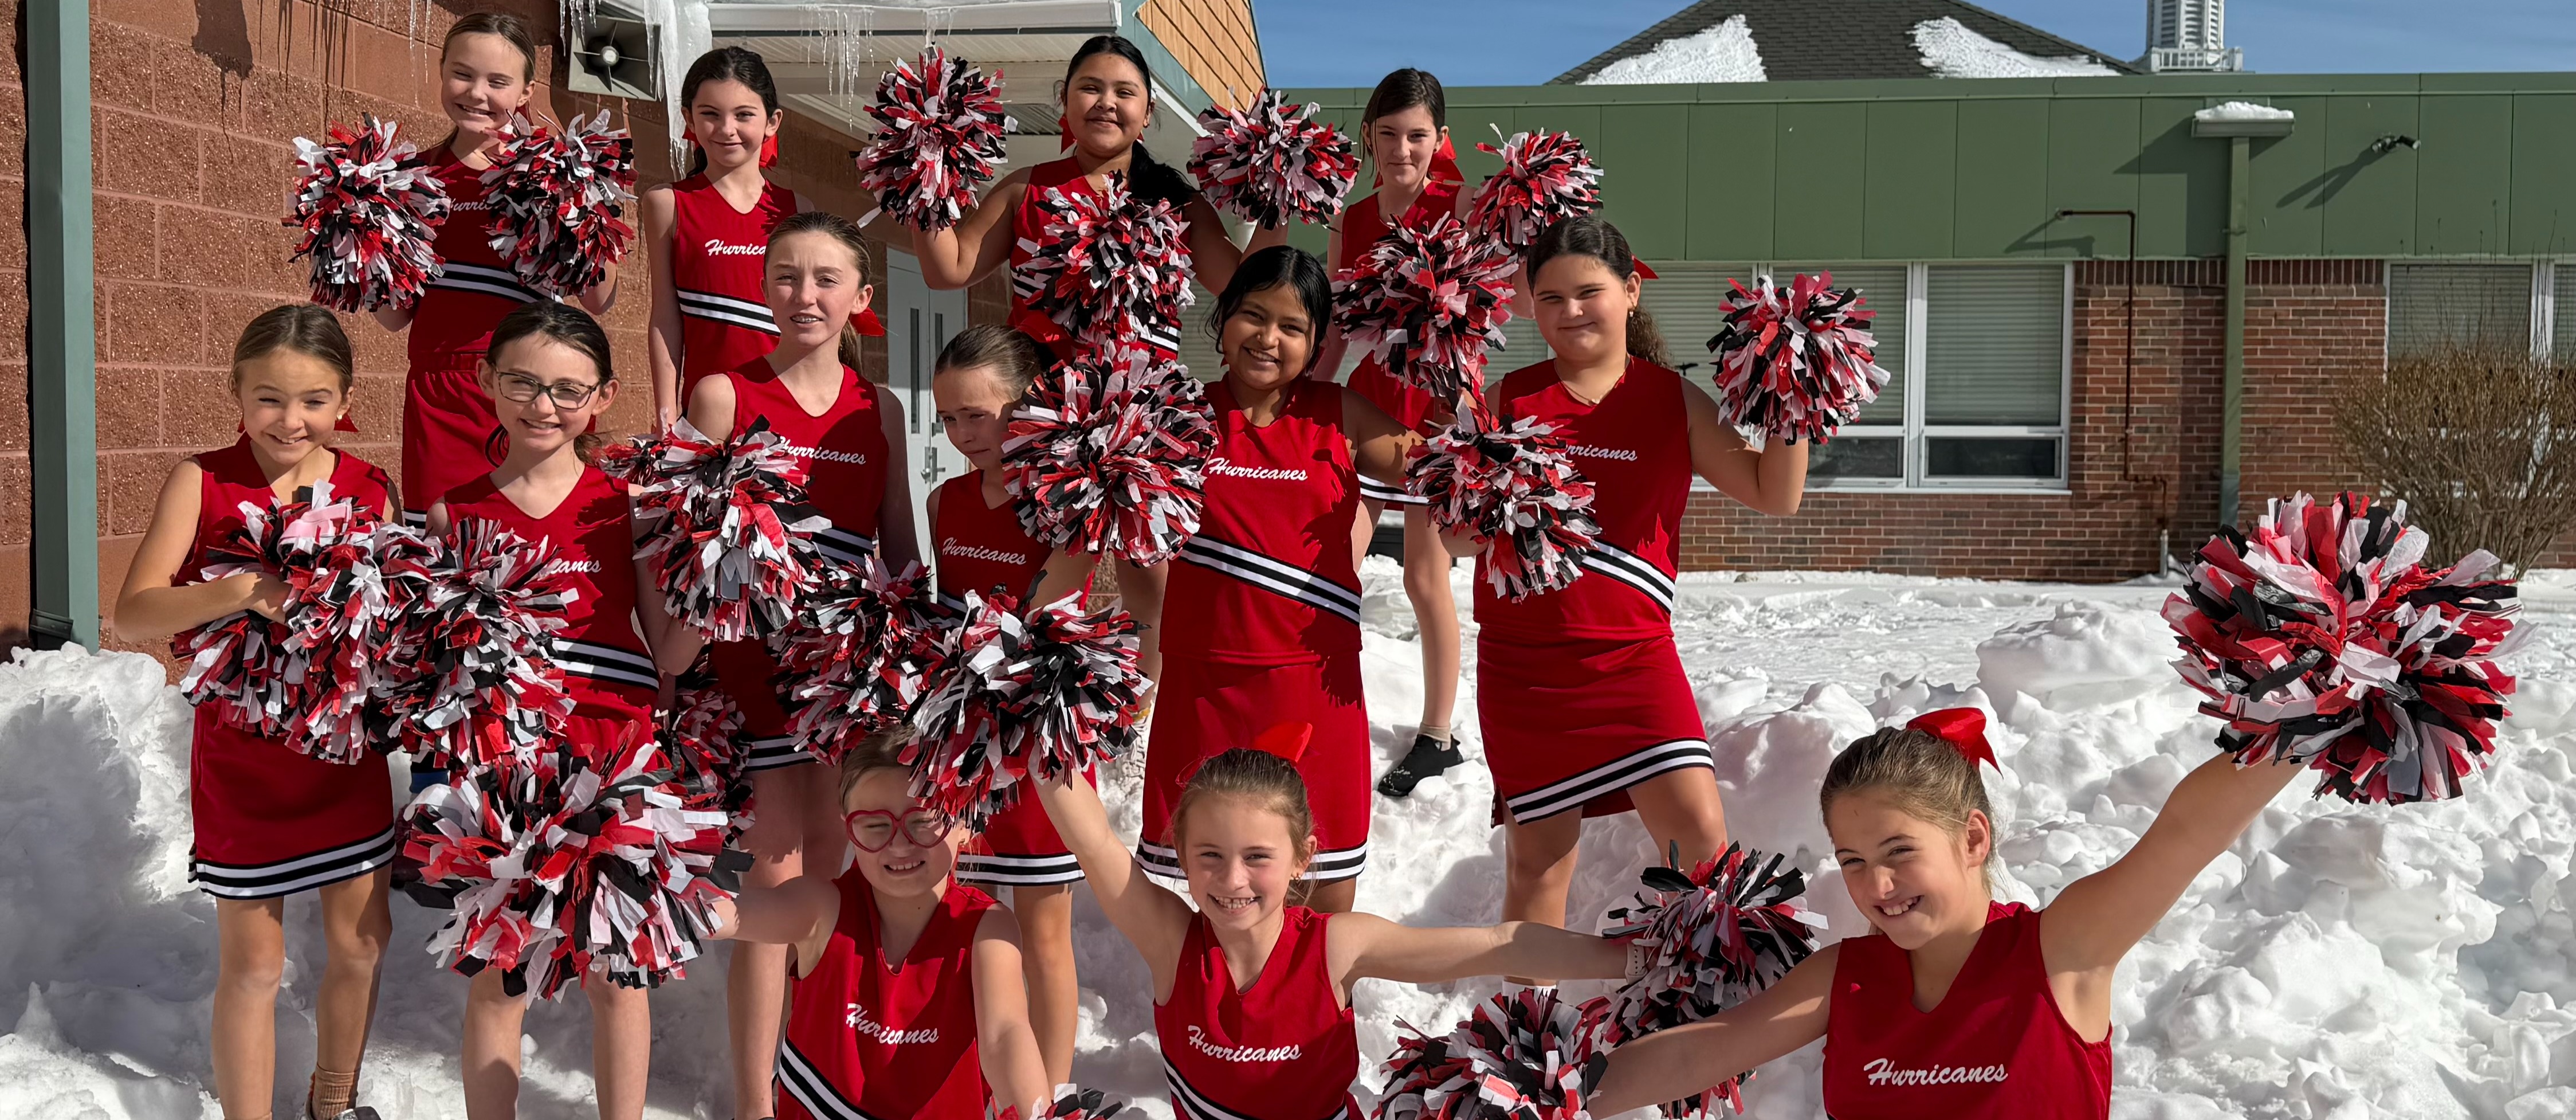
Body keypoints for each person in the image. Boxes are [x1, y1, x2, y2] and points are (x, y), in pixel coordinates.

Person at [1588, 715, 2310, 1118]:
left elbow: (2184, 831)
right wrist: (1541, 1090)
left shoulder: (2059, 948)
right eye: (1851, 859)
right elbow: (1702, 1050)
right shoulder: (1851, 974)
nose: (1876, 883)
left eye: (1898, 851)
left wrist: (2316, 708)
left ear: (1972, 837)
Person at [1455, 216, 1807, 968]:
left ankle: (1707, 1007)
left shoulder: (1674, 400)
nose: (1571, 311)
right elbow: (1453, 539)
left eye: (1589, 292)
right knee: (1538, 867)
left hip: (1635, 661)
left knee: (1702, 841)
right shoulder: (1507, 397)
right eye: (1550, 298)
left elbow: (1772, 493)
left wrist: (1794, 397)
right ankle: (1528, 1037)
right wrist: (1490, 491)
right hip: (1527, 673)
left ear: (1630, 290)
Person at [905, 33, 1291, 692]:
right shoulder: (1027, 188)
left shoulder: (1175, 200)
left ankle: (1142, 705)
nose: (1105, 103)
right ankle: (1021, 693)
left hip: (1140, 422)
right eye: (1090, 87)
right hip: (1047, 419)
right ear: (1064, 102)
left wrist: (1281, 186)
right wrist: (919, 163)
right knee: (1050, 566)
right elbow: (949, 268)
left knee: (1149, 575)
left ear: (1147, 115)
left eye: (1124, 93)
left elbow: (1247, 284)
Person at [658, 208, 918, 1120]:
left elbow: (899, 546)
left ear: (859, 296)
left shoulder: (878, 406)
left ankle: (819, 1073)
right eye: (785, 277)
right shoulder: (724, 393)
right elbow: (685, 548)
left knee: (837, 873)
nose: (804, 295)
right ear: (763, 288)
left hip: (843, 676)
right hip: (752, 668)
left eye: (824, 278)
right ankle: (753, 1102)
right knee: (773, 883)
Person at [1030, 741, 1640, 1120]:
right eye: (1208, 855)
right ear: (1182, 857)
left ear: (1301, 858)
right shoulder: (1172, 942)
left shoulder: (1333, 947)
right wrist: (1028, 719)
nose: (1232, 878)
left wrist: (1639, 960)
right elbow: (1092, 840)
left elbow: (1501, 942)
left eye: (1257, 856)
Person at [114, 304, 396, 1120]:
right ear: (236, 393)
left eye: (313, 399)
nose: (290, 418)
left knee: (360, 942)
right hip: (243, 759)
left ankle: (333, 1103)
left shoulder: (370, 487)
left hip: (343, 755)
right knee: (254, 964)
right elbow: (134, 613)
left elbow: (390, 614)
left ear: (344, 400)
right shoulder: (200, 480)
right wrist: (238, 591)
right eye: (268, 397)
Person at [419, 301, 685, 1120]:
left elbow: (670, 654)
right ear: (486, 382)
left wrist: (707, 567)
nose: (544, 406)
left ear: (603, 397)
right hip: (503, 770)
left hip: (613, 762)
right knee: (502, 975)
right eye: (524, 383)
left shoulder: (625, 504)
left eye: (568, 390)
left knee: (617, 974)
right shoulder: (448, 512)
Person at [1141, 245, 1416, 913]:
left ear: (1317, 341)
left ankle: (1312, 999)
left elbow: (1449, 469)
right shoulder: (1173, 415)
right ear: (1223, 318)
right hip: (1205, 677)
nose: (1268, 339)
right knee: (1212, 862)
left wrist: (1444, 348)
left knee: (1323, 862)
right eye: (1252, 317)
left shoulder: (1340, 414)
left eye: (1291, 328)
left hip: (1311, 681)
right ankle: (1220, 1001)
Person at [710, 730, 1055, 1120]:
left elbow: (1005, 1035)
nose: (899, 844)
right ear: (848, 828)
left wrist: (1035, 1114)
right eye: (874, 825)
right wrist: (663, 904)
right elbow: (735, 913)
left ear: (966, 821)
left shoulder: (986, 929)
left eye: (923, 821)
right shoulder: (823, 909)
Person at [924, 323, 1098, 1086]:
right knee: (965, 919)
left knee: (1045, 928)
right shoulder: (943, 501)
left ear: (1028, 405)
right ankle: (976, 1075)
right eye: (952, 417)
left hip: (1040, 736)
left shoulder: (1070, 503)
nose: (968, 433)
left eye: (983, 413)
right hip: (963, 741)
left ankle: (1052, 1092)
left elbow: (1054, 619)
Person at [371, 11, 619, 527]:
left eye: (498, 81)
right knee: (444, 558)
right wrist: (363, 246)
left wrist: (576, 206)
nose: (477, 93)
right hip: (439, 396)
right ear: (440, 75)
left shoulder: (556, 170)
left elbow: (600, 299)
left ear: (526, 91)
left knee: (532, 547)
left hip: (531, 393)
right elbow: (397, 318)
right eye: (462, 74)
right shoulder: (408, 179)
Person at [1313, 68, 1474, 800]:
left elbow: (1502, 306)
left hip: (1442, 413)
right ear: (1368, 138)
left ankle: (1438, 736)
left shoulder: (1464, 206)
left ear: (1438, 140)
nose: (1401, 150)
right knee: (1327, 564)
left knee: (1421, 575)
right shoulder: (1350, 220)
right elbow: (1338, 329)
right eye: (1387, 135)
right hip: (1370, 413)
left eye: (1416, 136)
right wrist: (1305, 400)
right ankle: (1316, 710)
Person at [641, 46, 802, 428]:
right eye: (710, 115)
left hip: (785, 406)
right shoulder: (668, 203)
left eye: (744, 115)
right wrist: (666, 415)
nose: (727, 129)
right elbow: (665, 315)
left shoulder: (796, 208)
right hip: (703, 415)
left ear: (772, 121)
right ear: (689, 120)